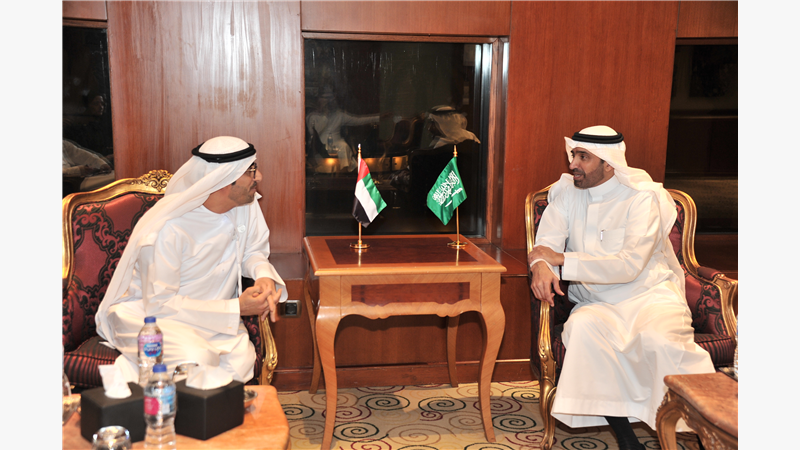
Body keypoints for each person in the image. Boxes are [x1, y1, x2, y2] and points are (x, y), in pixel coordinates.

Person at [528, 125, 714, 450]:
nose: (573, 164)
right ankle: (627, 440)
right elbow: (545, 244)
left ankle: (707, 430)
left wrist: (562, 259)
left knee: (660, 343)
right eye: (574, 155)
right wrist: (541, 265)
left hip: (650, 297)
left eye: (583, 157)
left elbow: (629, 265)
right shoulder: (568, 193)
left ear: (609, 164)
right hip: (597, 302)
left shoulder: (642, 198)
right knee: (582, 331)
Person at [95, 136, 288, 384]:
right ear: (223, 180)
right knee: (196, 360)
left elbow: (253, 251)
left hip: (215, 318)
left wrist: (263, 276)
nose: (258, 177)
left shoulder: (244, 204)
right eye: (250, 171)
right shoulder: (168, 228)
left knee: (241, 362)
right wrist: (236, 309)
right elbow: (160, 305)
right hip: (153, 317)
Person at [306, 86, 381, 171]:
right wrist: (324, 115)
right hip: (320, 144)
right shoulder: (313, 116)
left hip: (337, 143)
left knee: (344, 146)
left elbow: (358, 120)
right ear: (319, 100)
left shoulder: (339, 115)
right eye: (325, 98)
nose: (328, 101)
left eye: (330, 98)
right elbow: (313, 132)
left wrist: (379, 118)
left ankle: (344, 171)